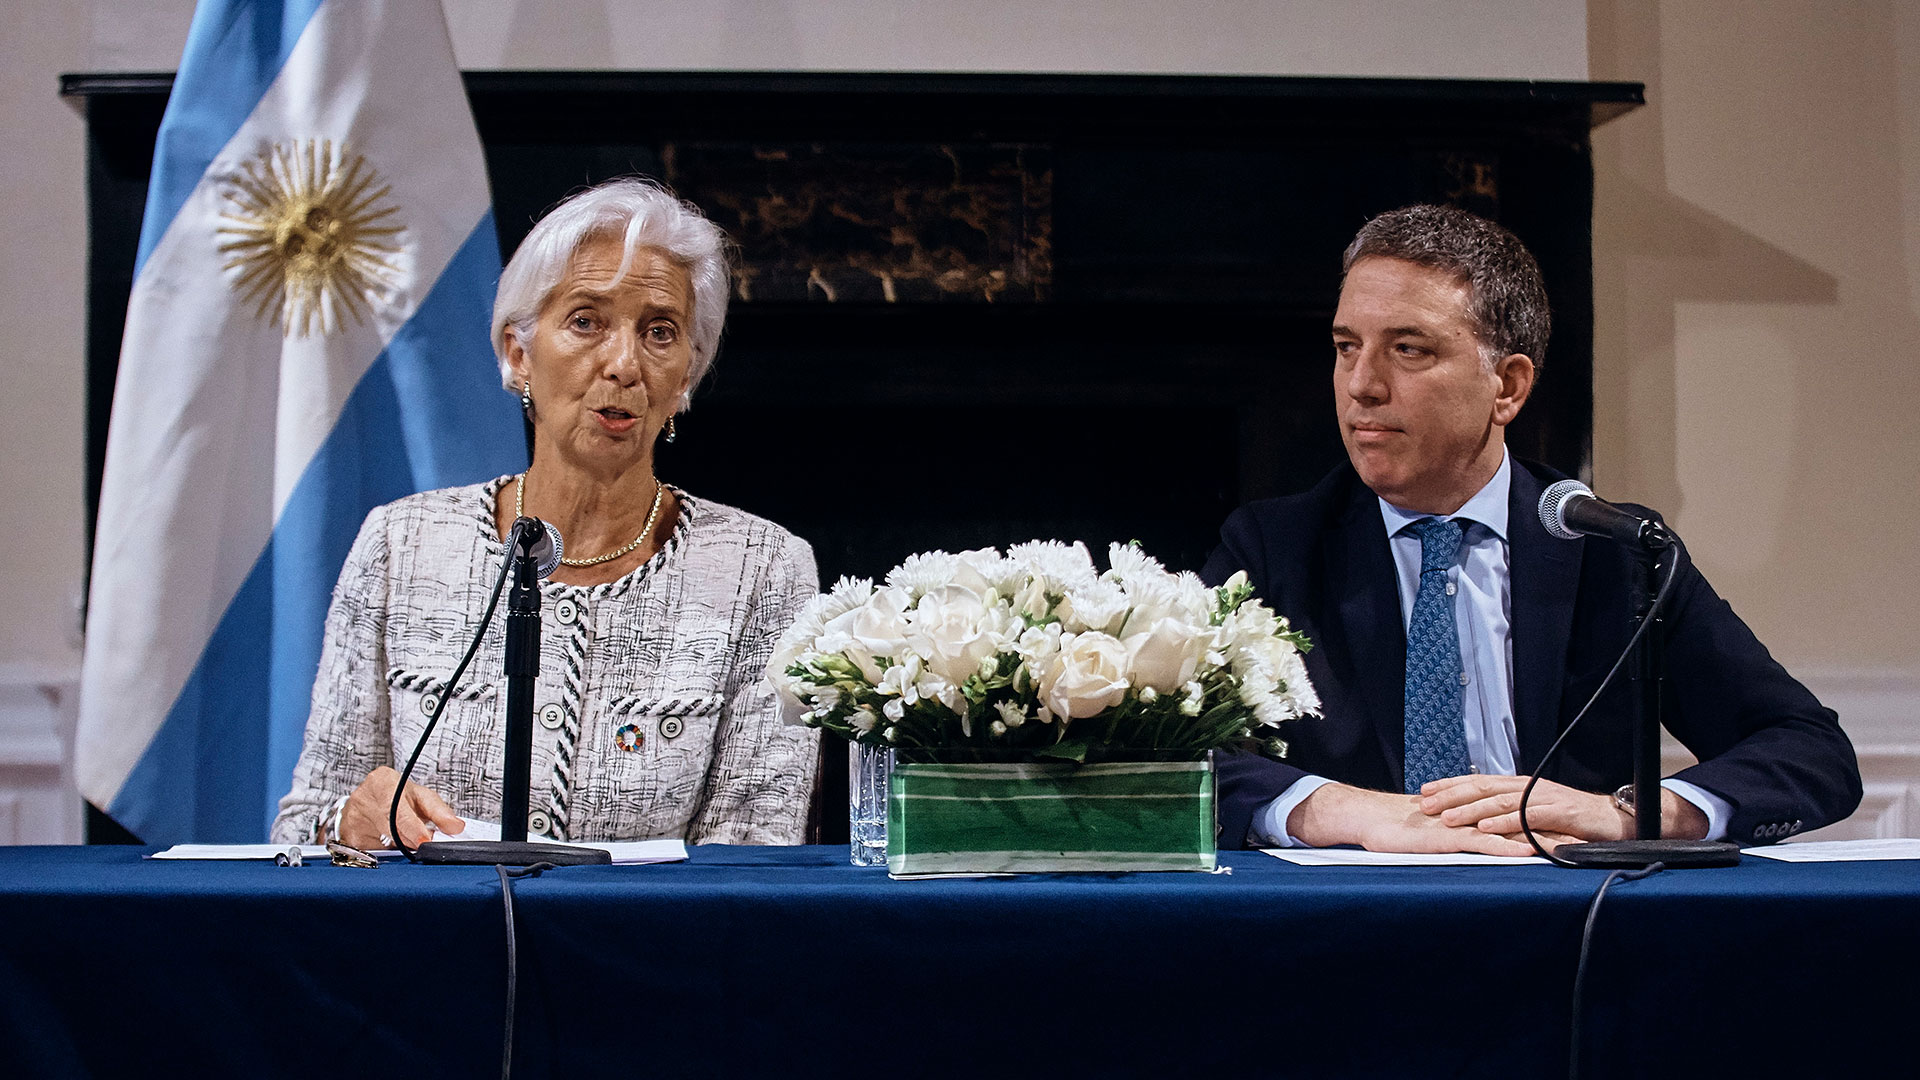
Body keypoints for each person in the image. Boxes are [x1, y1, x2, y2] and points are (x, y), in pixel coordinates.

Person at [1202, 204, 1860, 854]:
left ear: (1508, 387)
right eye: (1348, 348)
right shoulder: (1272, 548)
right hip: (1354, 925)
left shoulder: (1614, 551)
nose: (1362, 385)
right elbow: (1154, 755)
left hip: (1570, 926)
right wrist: (1342, 810)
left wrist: (1631, 813)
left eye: (1408, 349)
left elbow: (1809, 751)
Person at [272, 179, 819, 849]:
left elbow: (755, 856)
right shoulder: (401, 545)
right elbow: (301, 829)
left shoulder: (763, 569)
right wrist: (345, 822)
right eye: (586, 320)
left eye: (659, 332)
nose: (623, 364)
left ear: (685, 378)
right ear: (517, 353)